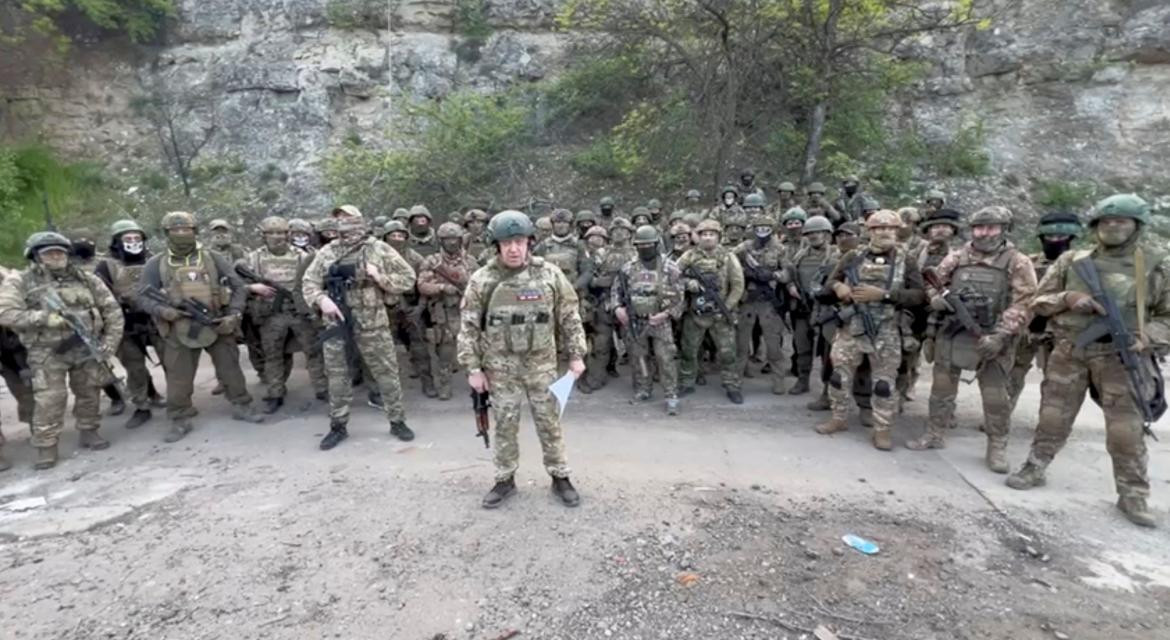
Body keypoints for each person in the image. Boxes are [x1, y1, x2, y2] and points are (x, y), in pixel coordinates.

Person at [1006, 194, 1168, 528]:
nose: (1112, 227)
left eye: (1121, 222)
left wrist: (1146, 336)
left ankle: (1132, 494)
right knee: (1053, 416)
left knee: (1125, 431)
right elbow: (1037, 301)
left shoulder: (1155, 264)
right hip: (1070, 351)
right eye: (1105, 222)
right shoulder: (1072, 261)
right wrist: (1068, 297)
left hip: (1123, 358)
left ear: (1136, 226)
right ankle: (1035, 466)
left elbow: (1167, 316)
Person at [457, 210, 587, 509]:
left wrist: (576, 355)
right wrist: (473, 368)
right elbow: (469, 326)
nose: (513, 249)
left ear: (530, 242)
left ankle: (560, 477)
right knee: (504, 423)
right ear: (496, 245)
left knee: (549, 422)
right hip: (500, 366)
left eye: (519, 241)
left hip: (541, 363)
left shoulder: (549, 274)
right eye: (506, 243)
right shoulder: (483, 279)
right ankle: (504, 479)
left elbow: (569, 316)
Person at [907, 206, 1037, 473]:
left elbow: (1024, 303)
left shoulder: (1017, 262)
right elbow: (932, 282)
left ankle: (997, 446)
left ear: (1003, 229)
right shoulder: (957, 257)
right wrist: (937, 299)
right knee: (941, 390)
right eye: (979, 228)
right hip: (953, 333)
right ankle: (934, 433)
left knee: (996, 398)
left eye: (991, 228)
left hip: (993, 336)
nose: (984, 233)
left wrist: (1001, 336)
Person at [0, 231, 125, 469]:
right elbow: (5, 313)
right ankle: (46, 447)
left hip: (86, 346)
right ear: (35, 256)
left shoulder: (86, 279)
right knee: (49, 399)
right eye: (49, 253)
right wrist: (44, 319)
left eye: (60, 252)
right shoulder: (20, 281)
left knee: (89, 391)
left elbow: (112, 311)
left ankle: (89, 431)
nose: (56, 256)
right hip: (46, 352)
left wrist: (110, 343)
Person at [137, 211, 264, 442]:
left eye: (186, 230)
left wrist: (234, 314)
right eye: (176, 230)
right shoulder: (157, 264)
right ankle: (179, 418)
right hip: (178, 328)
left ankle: (242, 405)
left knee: (231, 370)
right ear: (167, 233)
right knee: (178, 377)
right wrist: (166, 312)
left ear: (194, 231)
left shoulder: (213, 258)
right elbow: (143, 297)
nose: (182, 234)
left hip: (216, 322)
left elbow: (238, 287)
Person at [303, 206, 418, 450]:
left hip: (373, 323)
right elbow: (309, 282)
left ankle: (397, 420)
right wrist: (321, 300)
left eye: (346, 218)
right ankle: (338, 425)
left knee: (386, 373)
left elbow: (408, 279)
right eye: (338, 219)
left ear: (359, 221)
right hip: (337, 322)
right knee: (337, 376)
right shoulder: (327, 251)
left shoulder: (378, 248)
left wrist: (379, 278)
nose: (342, 223)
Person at [815, 210, 925, 450]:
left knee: (884, 383)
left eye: (890, 228)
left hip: (885, 329)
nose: (885, 232)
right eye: (879, 228)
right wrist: (838, 287)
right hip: (851, 327)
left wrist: (885, 295)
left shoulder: (906, 260)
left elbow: (919, 296)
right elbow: (827, 286)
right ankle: (838, 418)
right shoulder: (853, 257)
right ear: (870, 231)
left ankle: (882, 430)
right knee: (838, 377)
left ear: (898, 231)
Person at [240, 216, 328, 413]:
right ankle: (275, 393)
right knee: (273, 355)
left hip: (300, 312)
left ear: (288, 234)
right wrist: (254, 287)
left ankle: (322, 389)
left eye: (280, 233)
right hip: (271, 314)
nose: (276, 237)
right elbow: (236, 285)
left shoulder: (302, 256)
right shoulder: (254, 258)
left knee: (313, 352)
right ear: (263, 236)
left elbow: (315, 279)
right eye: (271, 233)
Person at [1006, 211, 1082, 412]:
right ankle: (1001, 413)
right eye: (1050, 237)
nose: (1055, 241)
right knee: (1012, 371)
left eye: (1061, 237)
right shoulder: (1028, 262)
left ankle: (1050, 421)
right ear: (1041, 238)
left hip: (1059, 331)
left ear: (1071, 238)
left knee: (1056, 379)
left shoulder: (1081, 266)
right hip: (1025, 327)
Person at [94, 219, 164, 430]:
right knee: (135, 369)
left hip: (157, 320)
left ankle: (180, 404)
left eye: (137, 238)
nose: (133, 242)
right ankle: (141, 407)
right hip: (125, 325)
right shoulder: (106, 266)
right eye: (127, 238)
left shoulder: (155, 260)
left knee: (173, 362)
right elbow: (100, 296)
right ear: (117, 242)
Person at [613, 225, 684, 414]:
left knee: (665, 358)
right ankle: (644, 389)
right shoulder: (628, 267)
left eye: (648, 245)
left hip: (661, 321)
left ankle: (671, 395)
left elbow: (680, 296)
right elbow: (616, 290)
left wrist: (666, 314)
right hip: (636, 321)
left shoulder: (670, 266)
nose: (644, 248)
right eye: (640, 245)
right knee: (639, 357)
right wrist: (618, 308)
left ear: (656, 244)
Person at [677, 219, 745, 403]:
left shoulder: (728, 257)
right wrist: (688, 283)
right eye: (704, 234)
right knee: (689, 350)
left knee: (728, 353)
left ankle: (732, 385)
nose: (707, 238)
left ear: (718, 237)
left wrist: (727, 307)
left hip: (720, 313)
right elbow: (673, 276)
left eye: (711, 234)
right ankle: (686, 382)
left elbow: (738, 285)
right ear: (698, 237)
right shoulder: (689, 256)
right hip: (695, 313)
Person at [417, 222, 480, 400]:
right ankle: (445, 386)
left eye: (455, 239)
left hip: (467, 311)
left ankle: (476, 386)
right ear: (441, 241)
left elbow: (481, 284)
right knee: (444, 352)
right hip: (443, 311)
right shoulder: (432, 261)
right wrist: (443, 288)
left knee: (471, 349)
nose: (452, 243)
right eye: (447, 239)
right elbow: (422, 286)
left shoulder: (470, 261)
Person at [735, 214, 789, 395]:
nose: (762, 232)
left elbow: (788, 273)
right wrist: (747, 273)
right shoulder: (744, 248)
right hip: (748, 300)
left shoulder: (780, 249)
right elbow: (729, 263)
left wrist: (773, 276)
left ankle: (778, 379)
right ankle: (737, 379)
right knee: (741, 343)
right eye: (759, 228)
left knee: (773, 344)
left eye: (766, 228)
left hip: (768, 302)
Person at [581, 218, 636, 392]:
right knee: (601, 344)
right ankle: (595, 378)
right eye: (615, 230)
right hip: (603, 305)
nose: (619, 233)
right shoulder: (601, 253)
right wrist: (600, 282)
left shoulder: (637, 253)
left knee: (635, 345)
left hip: (629, 305)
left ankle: (643, 382)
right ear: (610, 234)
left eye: (623, 230)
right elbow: (589, 277)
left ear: (629, 233)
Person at [787, 215, 837, 398]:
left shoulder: (836, 255)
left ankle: (827, 389)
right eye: (810, 233)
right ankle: (803, 380)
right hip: (803, 307)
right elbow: (790, 274)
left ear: (827, 233)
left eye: (818, 232)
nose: (814, 236)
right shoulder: (800, 255)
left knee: (827, 351)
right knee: (802, 346)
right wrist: (790, 286)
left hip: (826, 310)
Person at [382, 220, 433, 398]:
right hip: (385, 308)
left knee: (420, 347)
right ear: (385, 238)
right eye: (393, 236)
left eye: (401, 236)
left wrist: (419, 308)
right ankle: (387, 390)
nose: (397, 239)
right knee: (384, 351)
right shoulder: (377, 257)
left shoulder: (415, 258)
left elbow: (425, 285)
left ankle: (428, 382)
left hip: (411, 307)